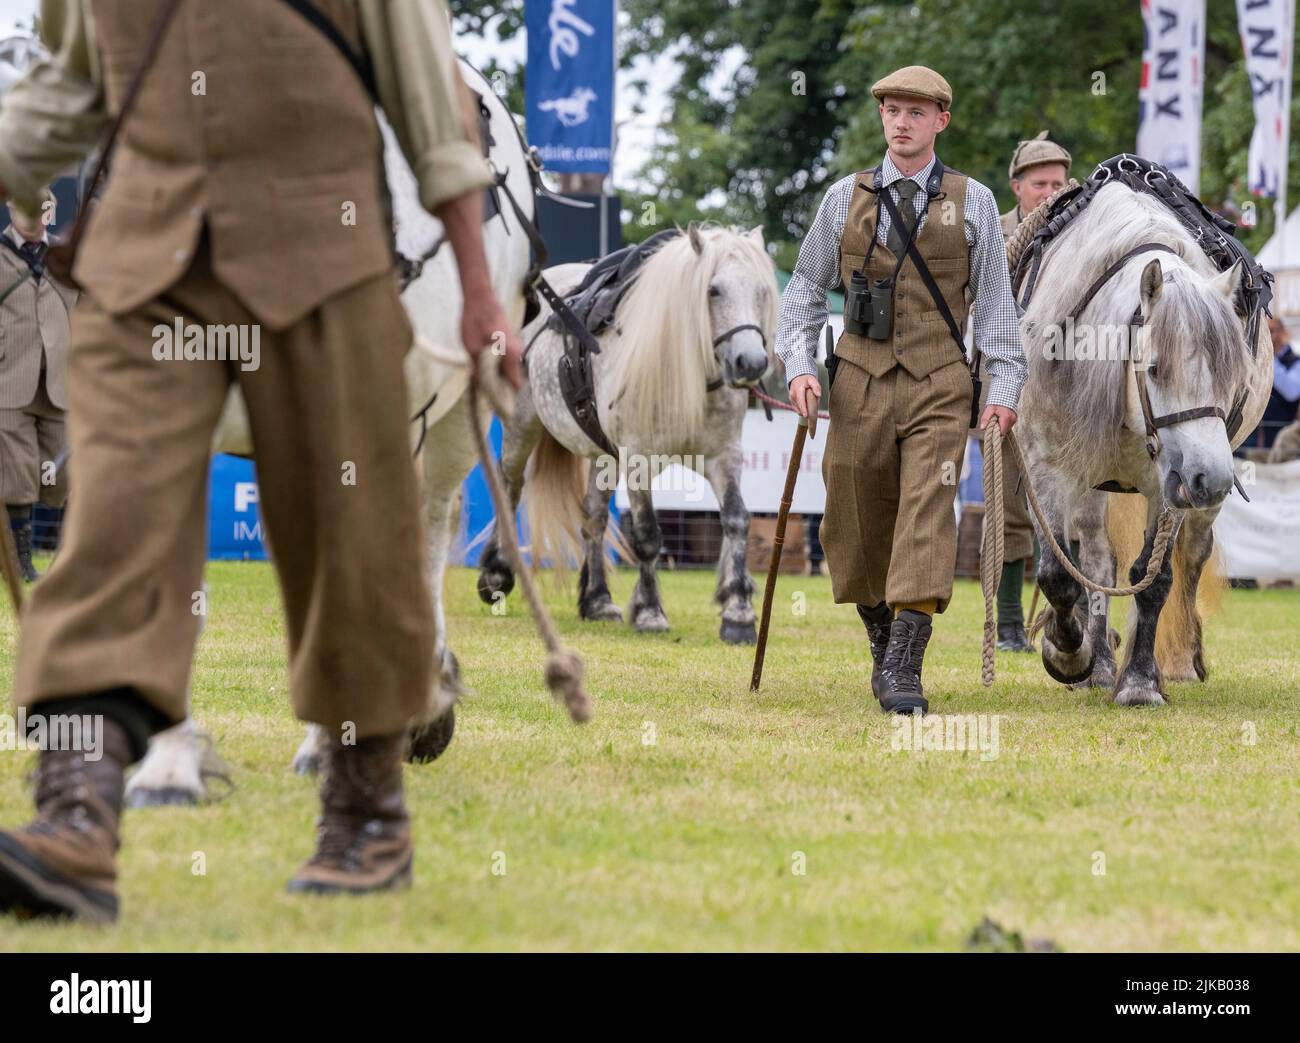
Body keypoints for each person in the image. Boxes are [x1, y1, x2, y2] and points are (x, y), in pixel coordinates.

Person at [0, 0, 524, 924]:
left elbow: (431, 107)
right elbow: (71, 85)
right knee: (112, 524)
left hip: (323, 256)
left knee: (349, 542)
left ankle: (364, 809)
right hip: (141, 270)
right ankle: (76, 815)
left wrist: (482, 287)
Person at [778, 65, 1028, 716]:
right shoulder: (843, 197)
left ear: (940, 120)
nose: (901, 121)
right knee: (853, 519)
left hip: (941, 381)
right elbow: (803, 289)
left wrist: (1003, 386)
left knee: (925, 509)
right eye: (891, 109)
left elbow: (998, 308)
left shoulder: (971, 201)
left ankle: (904, 664)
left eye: (916, 111)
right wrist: (800, 365)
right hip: (856, 379)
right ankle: (881, 637)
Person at [980, 131, 1072, 652]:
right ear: (1017, 186)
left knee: (1076, 508)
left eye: (1058, 182)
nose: (1051, 192)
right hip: (1006, 387)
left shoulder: (1085, 232)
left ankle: (1071, 617)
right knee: (1008, 505)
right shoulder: (994, 235)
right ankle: (1010, 618)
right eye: (1040, 183)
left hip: (1066, 391)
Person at [0, 194, 76, 582]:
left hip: (60, 384)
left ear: (51, 211)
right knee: (17, 474)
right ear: (11, 209)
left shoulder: (68, 258)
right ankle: (20, 562)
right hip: (10, 381)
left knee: (61, 478)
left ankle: (69, 563)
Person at [1248, 316, 1300, 450]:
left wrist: (1269, 359)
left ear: (1283, 332)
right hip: (1255, 434)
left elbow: (1292, 392)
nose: (1267, 337)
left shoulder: (1294, 361)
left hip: (1282, 435)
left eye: (1271, 331)